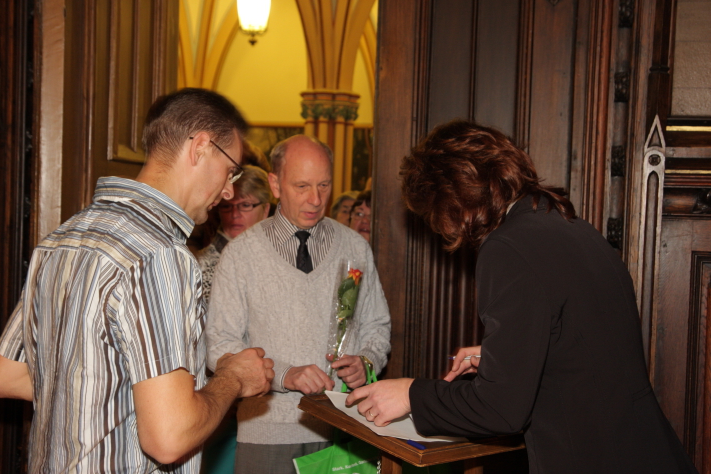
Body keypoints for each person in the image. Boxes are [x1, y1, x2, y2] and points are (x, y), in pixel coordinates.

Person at [346, 120, 698, 474]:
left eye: (432, 215)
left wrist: (410, 393)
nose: (439, 228)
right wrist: (508, 358)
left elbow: (499, 410)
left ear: (450, 198)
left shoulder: (506, 249)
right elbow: (585, 346)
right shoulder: (570, 224)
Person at [0, 88, 275, 473]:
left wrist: (143, 394)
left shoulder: (63, 237)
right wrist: (232, 378)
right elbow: (169, 438)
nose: (229, 191)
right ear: (200, 147)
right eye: (230, 170)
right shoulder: (159, 255)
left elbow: (9, 373)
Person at [206, 134, 391, 474]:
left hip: (344, 428)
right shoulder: (241, 255)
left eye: (324, 185)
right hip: (268, 432)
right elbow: (220, 346)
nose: (316, 199)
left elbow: (376, 326)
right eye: (302, 186)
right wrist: (284, 374)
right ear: (275, 184)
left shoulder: (353, 248)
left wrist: (366, 362)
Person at [198, 165, 273, 304]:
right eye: (227, 206)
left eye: (245, 205)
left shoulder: (281, 255)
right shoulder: (202, 265)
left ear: (265, 210)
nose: (235, 214)